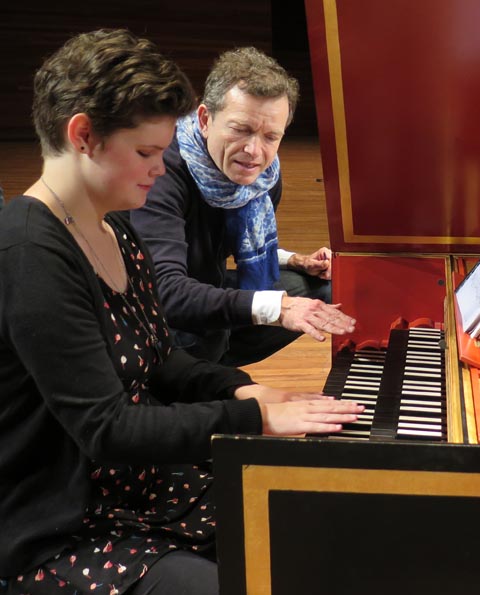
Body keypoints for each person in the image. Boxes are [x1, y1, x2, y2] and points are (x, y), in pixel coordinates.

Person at [0, 29, 362, 595]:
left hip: (138, 484)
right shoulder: (29, 254)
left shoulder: (114, 222)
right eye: (147, 153)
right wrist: (253, 421)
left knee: (310, 523)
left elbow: (162, 353)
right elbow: (107, 428)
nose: (162, 167)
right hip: (62, 521)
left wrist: (243, 390)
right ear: (83, 136)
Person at [130, 47, 350, 367]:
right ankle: (193, 380)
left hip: (206, 283)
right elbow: (164, 289)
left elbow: (234, 242)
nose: (253, 151)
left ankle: (209, 364)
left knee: (320, 288)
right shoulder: (159, 172)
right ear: (206, 120)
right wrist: (278, 309)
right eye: (241, 129)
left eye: (270, 136)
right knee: (212, 333)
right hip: (148, 311)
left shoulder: (263, 177)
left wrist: (296, 260)